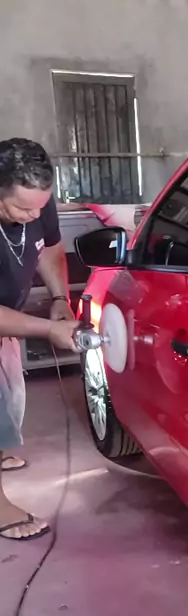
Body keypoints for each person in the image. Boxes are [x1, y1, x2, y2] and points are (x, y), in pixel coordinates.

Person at [0, 138, 79, 541]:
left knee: (8, 402)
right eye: (21, 209)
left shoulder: (37, 202)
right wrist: (47, 329)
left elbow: (49, 248)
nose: (33, 216)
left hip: (6, 318)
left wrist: (60, 299)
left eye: (40, 207)